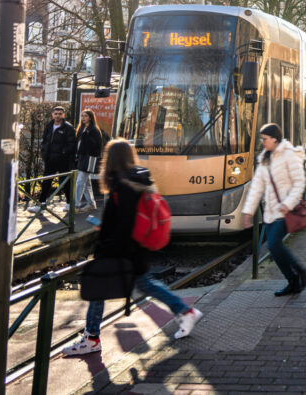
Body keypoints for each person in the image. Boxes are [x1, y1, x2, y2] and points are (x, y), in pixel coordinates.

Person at [64, 139, 203, 356]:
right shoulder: (139, 179)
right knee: (145, 284)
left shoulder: (122, 185)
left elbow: (123, 223)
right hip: (136, 248)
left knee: (98, 288)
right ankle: (185, 311)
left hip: (122, 250)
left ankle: (91, 338)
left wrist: (106, 247)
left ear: (110, 160)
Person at [240, 124, 306, 296]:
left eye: (264, 139)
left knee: (273, 243)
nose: (262, 142)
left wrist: (287, 204)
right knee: (273, 248)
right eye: (262, 139)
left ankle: (301, 270)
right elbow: (257, 186)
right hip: (271, 211)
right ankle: (293, 281)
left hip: (286, 211)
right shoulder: (264, 158)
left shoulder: (289, 155)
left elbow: (299, 183)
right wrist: (248, 212)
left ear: (274, 139)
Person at [34, 106, 76, 212]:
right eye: (56, 113)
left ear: (63, 115)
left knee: (65, 182)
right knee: (46, 181)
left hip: (63, 160)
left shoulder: (68, 128)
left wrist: (63, 153)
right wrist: (44, 152)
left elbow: (71, 144)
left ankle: (69, 204)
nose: (58, 115)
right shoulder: (49, 125)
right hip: (50, 159)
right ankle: (41, 204)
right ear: (52, 114)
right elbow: (44, 140)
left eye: (60, 113)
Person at [74, 109, 103, 212]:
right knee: (86, 183)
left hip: (89, 158)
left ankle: (76, 205)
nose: (83, 118)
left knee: (80, 181)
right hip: (82, 157)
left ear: (90, 117)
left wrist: (87, 137)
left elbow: (97, 145)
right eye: (82, 116)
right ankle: (91, 203)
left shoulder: (94, 130)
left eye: (85, 116)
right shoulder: (81, 129)